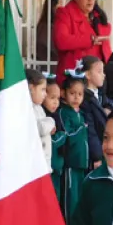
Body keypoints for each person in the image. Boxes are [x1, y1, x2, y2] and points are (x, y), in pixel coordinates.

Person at [53, 0, 111, 81]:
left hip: (97, 79)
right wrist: (90, 40)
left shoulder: (98, 16)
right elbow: (61, 41)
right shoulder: (64, 14)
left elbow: (106, 52)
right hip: (74, 79)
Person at [59, 75, 89, 222]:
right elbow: (69, 135)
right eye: (72, 93)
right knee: (70, 198)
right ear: (63, 93)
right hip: (70, 162)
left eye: (80, 94)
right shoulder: (63, 112)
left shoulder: (80, 114)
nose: (76, 97)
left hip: (80, 162)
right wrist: (81, 127)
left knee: (79, 197)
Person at [78, 56, 107, 170]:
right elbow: (91, 130)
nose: (103, 75)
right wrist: (97, 156)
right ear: (88, 75)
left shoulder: (99, 94)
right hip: (95, 152)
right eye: (99, 72)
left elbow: (106, 103)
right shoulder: (85, 99)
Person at [27, 68, 55, 171]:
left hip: (43, 164)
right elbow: (40, 128)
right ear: (31, 88)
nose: (45, 94)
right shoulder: (27, 109)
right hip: (35, 167)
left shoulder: (38, 108)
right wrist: (51, 121)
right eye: (42, 90)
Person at [43, 76, 65, 204]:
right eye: (52, 98)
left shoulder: (57, 116)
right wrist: (62, 136)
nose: (56, 102)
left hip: (57, 167)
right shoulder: (43, 118)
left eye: (58, 98)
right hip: (48, 167)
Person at [35, 0, 64, 67]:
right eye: (60, 3)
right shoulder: (44, 27)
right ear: (52, 5)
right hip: (49, 70)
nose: (64, 6)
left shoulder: (58, 24)